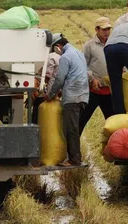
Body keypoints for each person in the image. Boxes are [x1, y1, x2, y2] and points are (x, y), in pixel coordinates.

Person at [46, 37, 89, 167]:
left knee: (71, 128)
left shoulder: (65, 57)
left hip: (72, 97)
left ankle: (73, 159)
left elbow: (59, 78)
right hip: (83, 95)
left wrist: (51, 94)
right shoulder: (78, 53)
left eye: (55, 48)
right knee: (74, 127)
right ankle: (75, 157)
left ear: (59, 45)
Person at [79, 17, 115, 134]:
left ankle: (114, 148)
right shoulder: (89, 46)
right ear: (97, 30)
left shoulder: (114, 44)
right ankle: (71, 150)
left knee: (113, 122)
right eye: (104, 29)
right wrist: (92, 79)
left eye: (108, 29)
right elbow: (83, 65)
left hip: (110, 91)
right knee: (82, 120)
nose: (107, 32)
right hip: (93, 91)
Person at [31, 33, 62, 124]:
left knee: (37, 119)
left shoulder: (51, 56)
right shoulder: (61, 57)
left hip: (44, 95)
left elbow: (48, 77)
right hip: (55, 94)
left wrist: (49, 93)